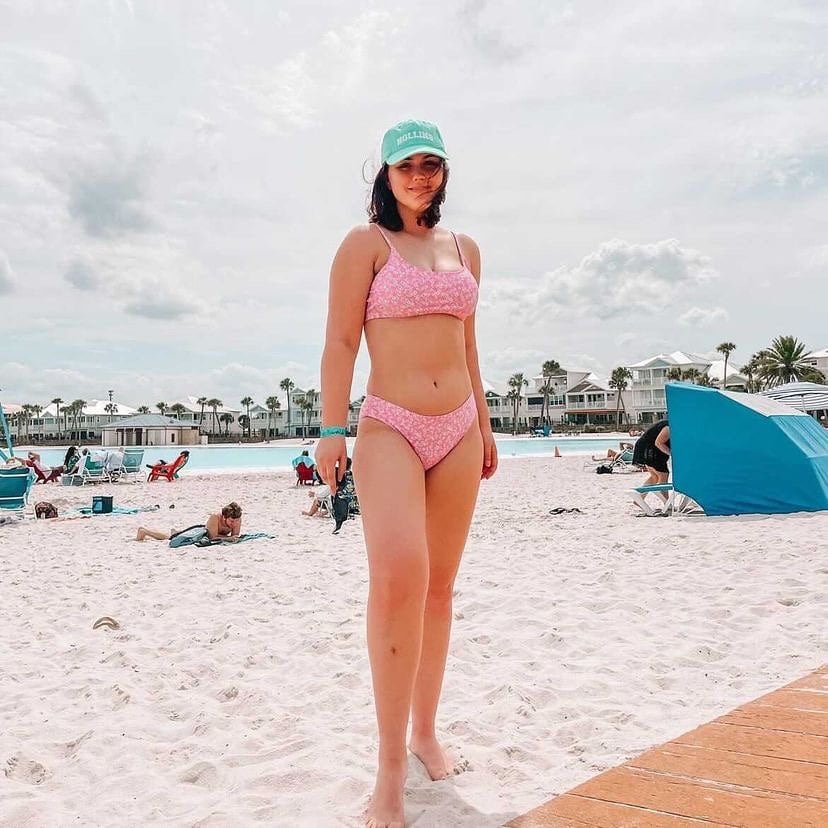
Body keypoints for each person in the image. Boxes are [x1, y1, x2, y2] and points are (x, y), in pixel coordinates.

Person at [316, 119, 497, 827]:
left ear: (445, 172)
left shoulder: (467, 249)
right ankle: (388, 768)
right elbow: (338, 340)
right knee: (399, 578)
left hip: (456, 428)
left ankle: (425, 732)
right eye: (407, 166)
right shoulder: (365, 245)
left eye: (432, 164)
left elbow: (469, 343)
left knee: (440, 589)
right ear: (384, 175)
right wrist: (332, 429)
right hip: (389, 424)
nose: (421, 176)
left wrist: (482, 423)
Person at [135, 501, 243, 543]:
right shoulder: (215, 518)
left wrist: (232, 538)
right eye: (231, 521)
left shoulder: (237, 519)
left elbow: (235, 536)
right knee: (170, 538)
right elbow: (212, 537)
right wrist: (228, 538)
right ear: (224, 517)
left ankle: (176, 531)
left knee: (173, 535)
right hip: (201, 531)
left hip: (207, 532)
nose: (234, 523)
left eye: (236, 521)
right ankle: (144, 531)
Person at [632, 419, 671, 489]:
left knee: (654, 477)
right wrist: (671, 454)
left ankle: (638, 498)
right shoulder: (669, 428)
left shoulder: (670, 424)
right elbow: (658, 443)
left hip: (646, 447)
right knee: (663, 475)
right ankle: (666, 500)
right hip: (650, 449)